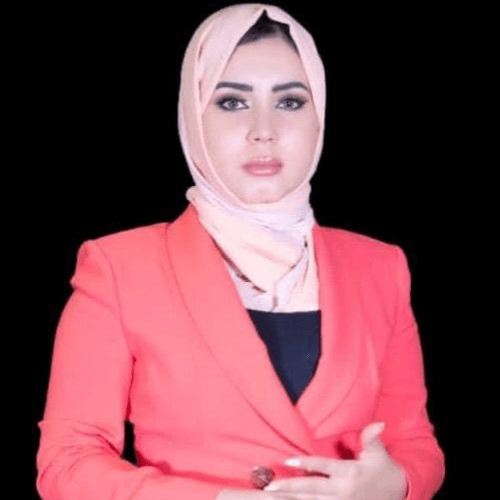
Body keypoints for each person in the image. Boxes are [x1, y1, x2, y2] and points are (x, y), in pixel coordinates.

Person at [35, 3, 445, 499]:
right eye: (232, 102)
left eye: (290, 101)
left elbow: (414, 443)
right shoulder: (120, 269)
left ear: (320, 115)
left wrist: (394, 483)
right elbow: (67, 462)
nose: (263, 130)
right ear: (194, 115)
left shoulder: (380, 267)